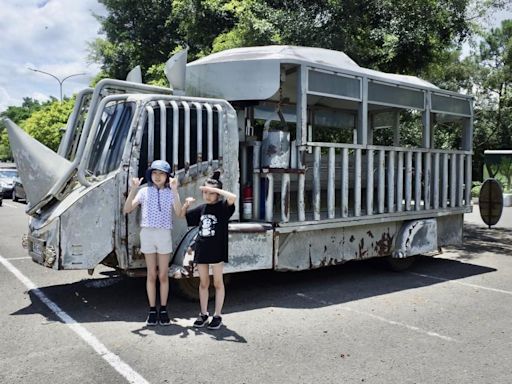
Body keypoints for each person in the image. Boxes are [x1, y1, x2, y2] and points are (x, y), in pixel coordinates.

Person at [123, 160, 188, 326]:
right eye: (155, 173)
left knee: (163, 274)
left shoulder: (170, 192)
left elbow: (180, 214)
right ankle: (152, 310)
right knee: (151, 274)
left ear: (167, 177)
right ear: (150, 175)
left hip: (164, 234)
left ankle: (164, 309)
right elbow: (127, 209)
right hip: (148, 234)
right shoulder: (144, 191)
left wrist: (175, 192)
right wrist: (134, 189)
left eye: (162, 174)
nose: (158, 176)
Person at [183, 171, 237, 330]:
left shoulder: (223, 208)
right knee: (203, 283)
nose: (207, 195)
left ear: (218, 195)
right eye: (205, 192)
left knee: (218, 283)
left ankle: (217, 315)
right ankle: (203, 313)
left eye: (211, 193)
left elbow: (232, 197)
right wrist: (186, 204)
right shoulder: (201, 209)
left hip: (217, 251)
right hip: (202, 251)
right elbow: (184, 216)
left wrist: (217, 190)